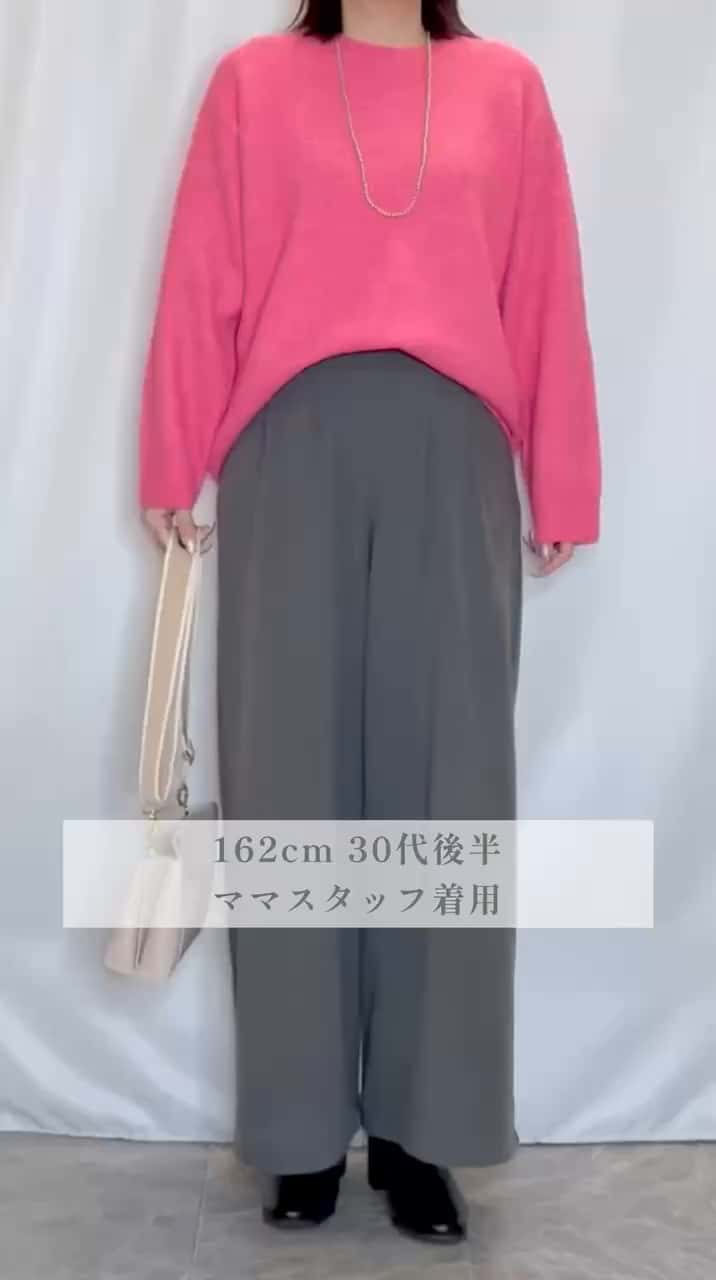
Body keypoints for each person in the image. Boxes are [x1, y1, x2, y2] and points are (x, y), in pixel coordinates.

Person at [138, 0, 601, 1246]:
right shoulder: (251, 82)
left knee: (446, 787)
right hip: (284, 447)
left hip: (454, 452)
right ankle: (297, 1131)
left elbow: (541, 283)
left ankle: (419, 1131)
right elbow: (201, 274)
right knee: (284, 786)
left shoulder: (504, 88)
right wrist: (171, 458)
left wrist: (563, 477)